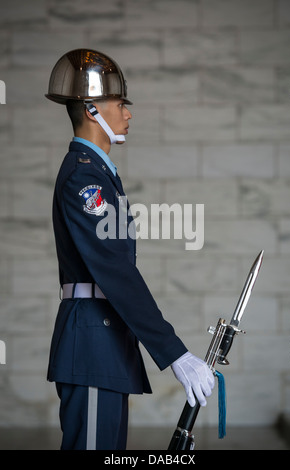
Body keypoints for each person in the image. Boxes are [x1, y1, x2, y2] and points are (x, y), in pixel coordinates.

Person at [45, 48, 214, 450]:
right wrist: (175, 353)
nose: (129, 113)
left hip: (103, 342)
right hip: (92, 346)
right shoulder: (85, 179)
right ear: (91, 109)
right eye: (121, 103)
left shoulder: (98, 173)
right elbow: (115, 271)